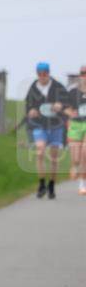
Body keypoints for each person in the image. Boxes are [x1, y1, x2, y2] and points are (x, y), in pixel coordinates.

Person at [25, 62, 67, 199]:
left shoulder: (58, 86)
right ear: (37, 73)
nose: (42, 76)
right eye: (39, 73)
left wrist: (60, 105)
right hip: (39, 124)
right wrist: (31, 111)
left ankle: (51, 185)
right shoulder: (33, 87)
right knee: (40, 151)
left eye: (45, 73)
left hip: (55, 125)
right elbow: (28, 105)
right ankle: (42, 183)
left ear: (48, 73)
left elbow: (67, 102)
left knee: (54, 157)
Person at [63, 66, 86, 195]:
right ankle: (75, 166)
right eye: (83, 74)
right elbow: (65, 107)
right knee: (76, 158)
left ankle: (82, 184)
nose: (85, 76)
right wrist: (70, 113)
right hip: (76, 124)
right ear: (80, 75)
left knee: (85, 155)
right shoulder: (72, 90)